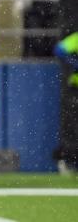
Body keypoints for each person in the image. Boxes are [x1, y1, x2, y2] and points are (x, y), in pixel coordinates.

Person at [54, 31, 78, 171]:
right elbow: (60, 50)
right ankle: (69, 160)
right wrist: (74, 63)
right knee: (73, 126)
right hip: (76, 86)